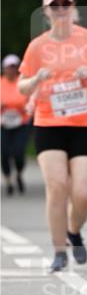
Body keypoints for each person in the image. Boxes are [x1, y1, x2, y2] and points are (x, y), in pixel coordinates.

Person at [18, 0, 87, 272]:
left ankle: (73, 230)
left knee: (82, 193)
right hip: (49, 122)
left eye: (64, 4)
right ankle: (58, 251)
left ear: (72, 6)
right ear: (46, 11)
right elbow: (22, 85)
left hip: (85, 124)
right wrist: (35, 81)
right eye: (53, 5)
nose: (60, 10)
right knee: (57, 187)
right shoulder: (38, 46)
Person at [1, 54, 31, 195]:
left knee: (18, 152)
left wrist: (26, 109)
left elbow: (31, 102)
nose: (11, 70)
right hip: (3, 123)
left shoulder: (23, 83)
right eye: (8, 67)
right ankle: (8, 179)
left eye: (14, 67)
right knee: (4, 152)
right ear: (4, 69)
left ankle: (18, 173)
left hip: (21, 123)